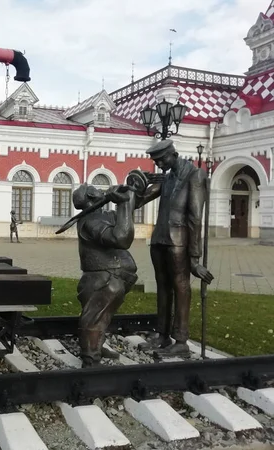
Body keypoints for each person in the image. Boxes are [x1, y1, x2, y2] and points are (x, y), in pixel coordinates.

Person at [136, 139, 214, 357]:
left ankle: (180, 341)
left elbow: (195, 217)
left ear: (173, 154)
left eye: (161, 160)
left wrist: (195, 258)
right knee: (163, 287)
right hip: (159, 239)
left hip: (179, 242)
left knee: (181, 288)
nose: (158, 164)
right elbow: (141, 199)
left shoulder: (194, 175)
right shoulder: (168, 176)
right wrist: (136, 186)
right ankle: (162, 334)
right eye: (156, 161)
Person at [73, 183, 138, 367]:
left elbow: (133, 204)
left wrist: (132, 191)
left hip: (113, 278)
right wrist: (123, 204)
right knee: (94, 320)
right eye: (98, 191)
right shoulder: (91, 221)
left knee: (103, 318)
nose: (103, 192)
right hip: (103, 280)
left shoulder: (101, 215)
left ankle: (97, 347)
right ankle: (90, 360)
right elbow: (121, 238)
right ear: (93, 197)